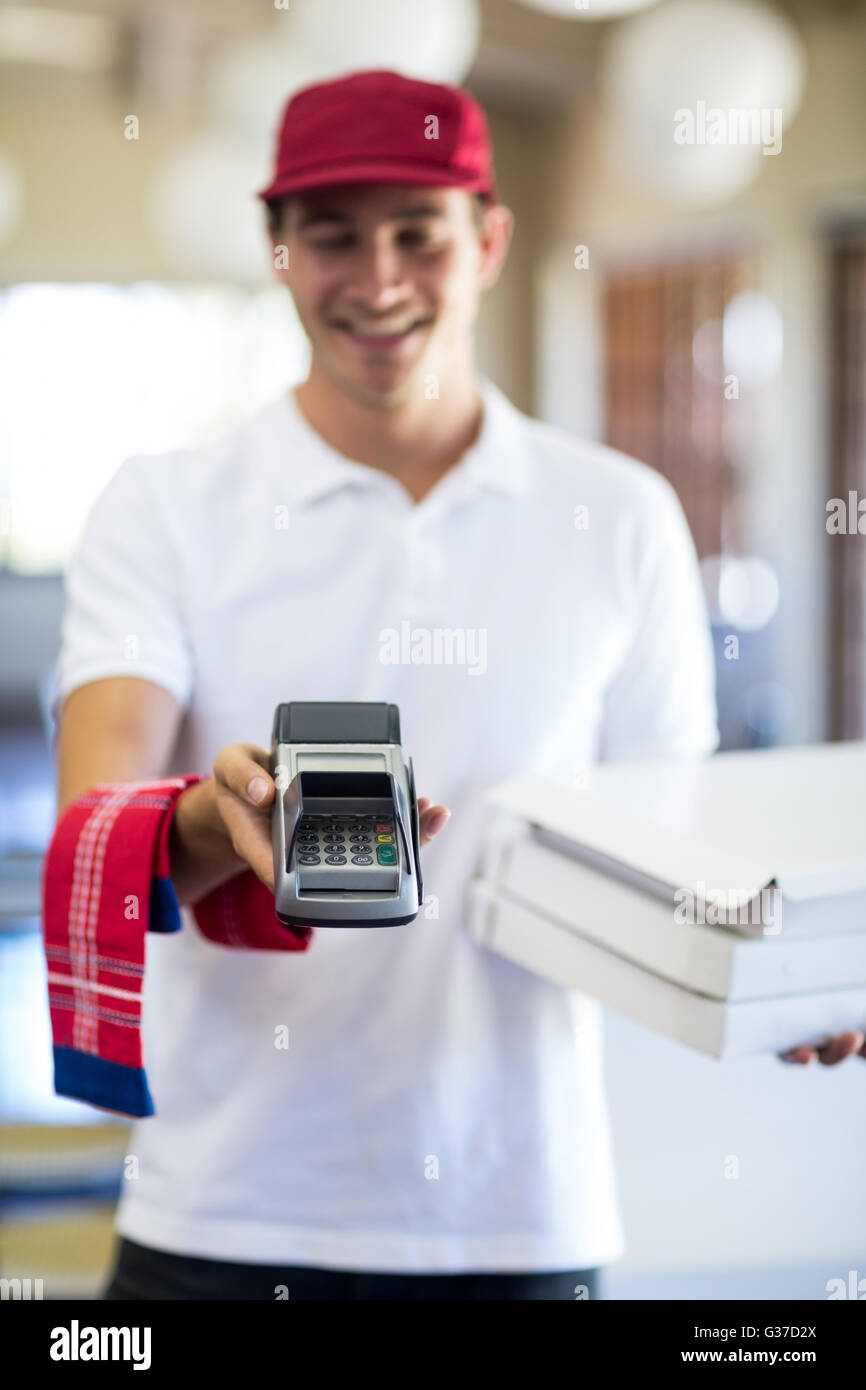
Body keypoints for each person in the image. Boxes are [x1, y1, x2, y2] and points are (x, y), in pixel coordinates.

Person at [52, 68, 863, 1305]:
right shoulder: (165, 506)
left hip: (517, 1213)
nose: (376, 279)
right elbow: (90, 835)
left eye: (414, 235)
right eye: (330, 236)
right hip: (223, 1208)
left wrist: (781, 982)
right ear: (276, 250)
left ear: (485, 242)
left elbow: (672, 858)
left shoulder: (619, 516)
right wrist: (217, 824)